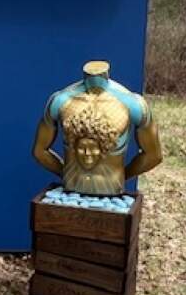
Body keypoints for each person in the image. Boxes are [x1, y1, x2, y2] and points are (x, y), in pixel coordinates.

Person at [32, 60, 162, 195]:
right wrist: (64, 172)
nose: (87, 154)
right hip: (73, 191)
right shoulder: (60, 101)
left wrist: (123, 175)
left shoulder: (132, 104)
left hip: (110, 194)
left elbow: (154, 155)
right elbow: (39, 151)